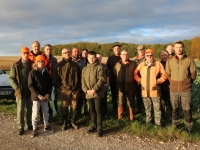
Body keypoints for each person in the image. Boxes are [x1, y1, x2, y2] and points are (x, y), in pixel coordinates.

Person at [165, 41, 197, 133]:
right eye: (177, 47)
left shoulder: (189, 59)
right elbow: (167, 73)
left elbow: (194, 73)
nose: (178, 49)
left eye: (180, 47)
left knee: (187, 108)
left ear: (183, 48)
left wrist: (188, 82)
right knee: (174, 108)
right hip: (174, 89)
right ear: (174, 48)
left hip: (186, 89)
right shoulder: (169, 60)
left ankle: (189, 127)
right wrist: (173, 82)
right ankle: (175, 125)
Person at [134, 49, 167, 126]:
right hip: (145, 91)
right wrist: (139, 80)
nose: (149, 57)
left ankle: (158, 123)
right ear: (145, 56)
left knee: (157, 108)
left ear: (153, 56)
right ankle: (148, 122)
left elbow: (164, 75)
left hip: (155, 91)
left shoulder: (158, 64)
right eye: (147, 55)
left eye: (151, 55)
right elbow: (135, 74)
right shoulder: (141, 65)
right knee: (147, 108)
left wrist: (158, 81)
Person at [54, 48, 81, 130]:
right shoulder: (59, 65)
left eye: (68, 52)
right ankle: (64, 122)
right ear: (62, 54)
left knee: (74, 106)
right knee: (64, 106)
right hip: (64, 90)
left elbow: (80, 76)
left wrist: (78, 87)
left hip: (75, 89)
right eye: (65, 53)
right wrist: (60, 87)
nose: (67, 54)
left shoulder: (75, 64)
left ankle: (72, 122)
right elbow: (55, 78)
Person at [28, 55, 54, 137]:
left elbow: (49, 84)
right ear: (36, 62)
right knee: (35, 113)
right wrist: (38, 95)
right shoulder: (32, 72)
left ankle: (46, 126)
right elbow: (30, 86)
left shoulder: (46, 72)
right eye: (39, 62)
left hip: (45, 96)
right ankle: (34, 129)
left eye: (42, 62)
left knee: (46, 112)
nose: (41, 63)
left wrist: (48, 93)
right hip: (36, 97)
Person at [9, 47, 33, 135]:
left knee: (30, 109)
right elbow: (11, 78)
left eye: (27, 53)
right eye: (24, 53)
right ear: (21, 54)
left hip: (30, 91)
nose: (26, 55)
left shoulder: (32, 64)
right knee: (20, 110)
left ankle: (29, 124)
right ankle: (20, 127)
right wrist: (17, 88)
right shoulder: (16, 65)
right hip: (20, 92)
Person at [82, 51, 105, 137]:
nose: (91, 59)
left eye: (93, 58)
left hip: (97, 93)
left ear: (95, 58)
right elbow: (82, 81)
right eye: (89, 58)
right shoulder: (85, 69)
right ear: (87, 58)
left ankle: (100, 127)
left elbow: (101, 80)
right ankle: (93, 125)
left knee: (98, 110)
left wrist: (94, 90)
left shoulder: (99, 68)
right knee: (91, 110)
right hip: (88, 93)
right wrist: (86, 90)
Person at [29, 41, 53, 118]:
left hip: (43, 83)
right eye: (35, 46)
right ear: (32, 47)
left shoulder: (44, 56)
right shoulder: (28, 56)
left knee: (44, 103)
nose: (37, 48)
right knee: (33, 105)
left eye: (38, 46)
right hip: (31, 82)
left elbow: (48, 68)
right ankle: (32, 122)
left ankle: (45, 120)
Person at [114, 50, 137, 121]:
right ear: (120, 55)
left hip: (130, 86)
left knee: (131, 102)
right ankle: (120, 118)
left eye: (127, 54)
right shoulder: (117, 64)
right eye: (123, 54)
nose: (125, 56)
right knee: (121, 102)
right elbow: (115, 74)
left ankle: (132, 118)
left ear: (128, 55)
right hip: (120, 86)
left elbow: (136, 74)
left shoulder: (133, 64)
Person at [71, 47, 88, 117]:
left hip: (81, 84)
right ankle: (72, 116)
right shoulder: (70, 61)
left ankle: (79, 114)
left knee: (81, 99)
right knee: (73, 101)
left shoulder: (82, 62)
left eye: (77, 51)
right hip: (72, 85)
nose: (76, 53)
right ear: (72, 52)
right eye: (75, 51)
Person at [43, 44, 58, 116]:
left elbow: (56, 70)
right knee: (46, 98)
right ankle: (48, 112)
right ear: (44, 50)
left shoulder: (54, 59)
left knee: (54, 97)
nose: (49, 51)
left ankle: (55, 112)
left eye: (50, 49)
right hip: (45, 81)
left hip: (53, 81)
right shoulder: (41, 59)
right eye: (47, 49)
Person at [106, 44, 121, 113]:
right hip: (113, 80)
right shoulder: (110, 58)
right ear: (113, 49)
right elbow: (107, 68)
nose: (117, 49)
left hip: (121, 80)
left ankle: (122, 108)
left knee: (121, 95)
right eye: (115, 48)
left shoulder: (122, 57)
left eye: (118, 48)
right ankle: (115, 109)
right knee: (114, 95)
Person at [132, 45, 145, 114]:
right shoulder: (134, 59)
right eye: (139, 50)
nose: (141, 51)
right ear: (137, 51)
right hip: (136, 80)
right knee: (138, 95)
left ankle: (146, 109)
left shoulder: (147, 58)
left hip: (145, 80)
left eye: (142, 50)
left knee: (145, 95)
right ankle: (139, 108)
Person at [96, 53, 110, 118]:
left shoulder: (104, 66)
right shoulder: (93, 66)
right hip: (95, 86)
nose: (99, 59)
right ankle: (97, 115)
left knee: (104, 100)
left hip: (103, 85)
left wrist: (107, 84)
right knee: (97, 101)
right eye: (97, 57)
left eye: (100, 57)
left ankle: (105, 114)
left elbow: (108, 75)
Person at [160, 50, 171, 118]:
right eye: (162, 55)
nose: (163, 56)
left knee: (171, 102)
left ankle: (172, 115)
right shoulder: (158, 64)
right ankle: (163, 115)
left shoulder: (171, 63)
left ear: (168, 56)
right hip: (161, 86)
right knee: (163, 102)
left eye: (165, 55)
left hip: (170, 86)